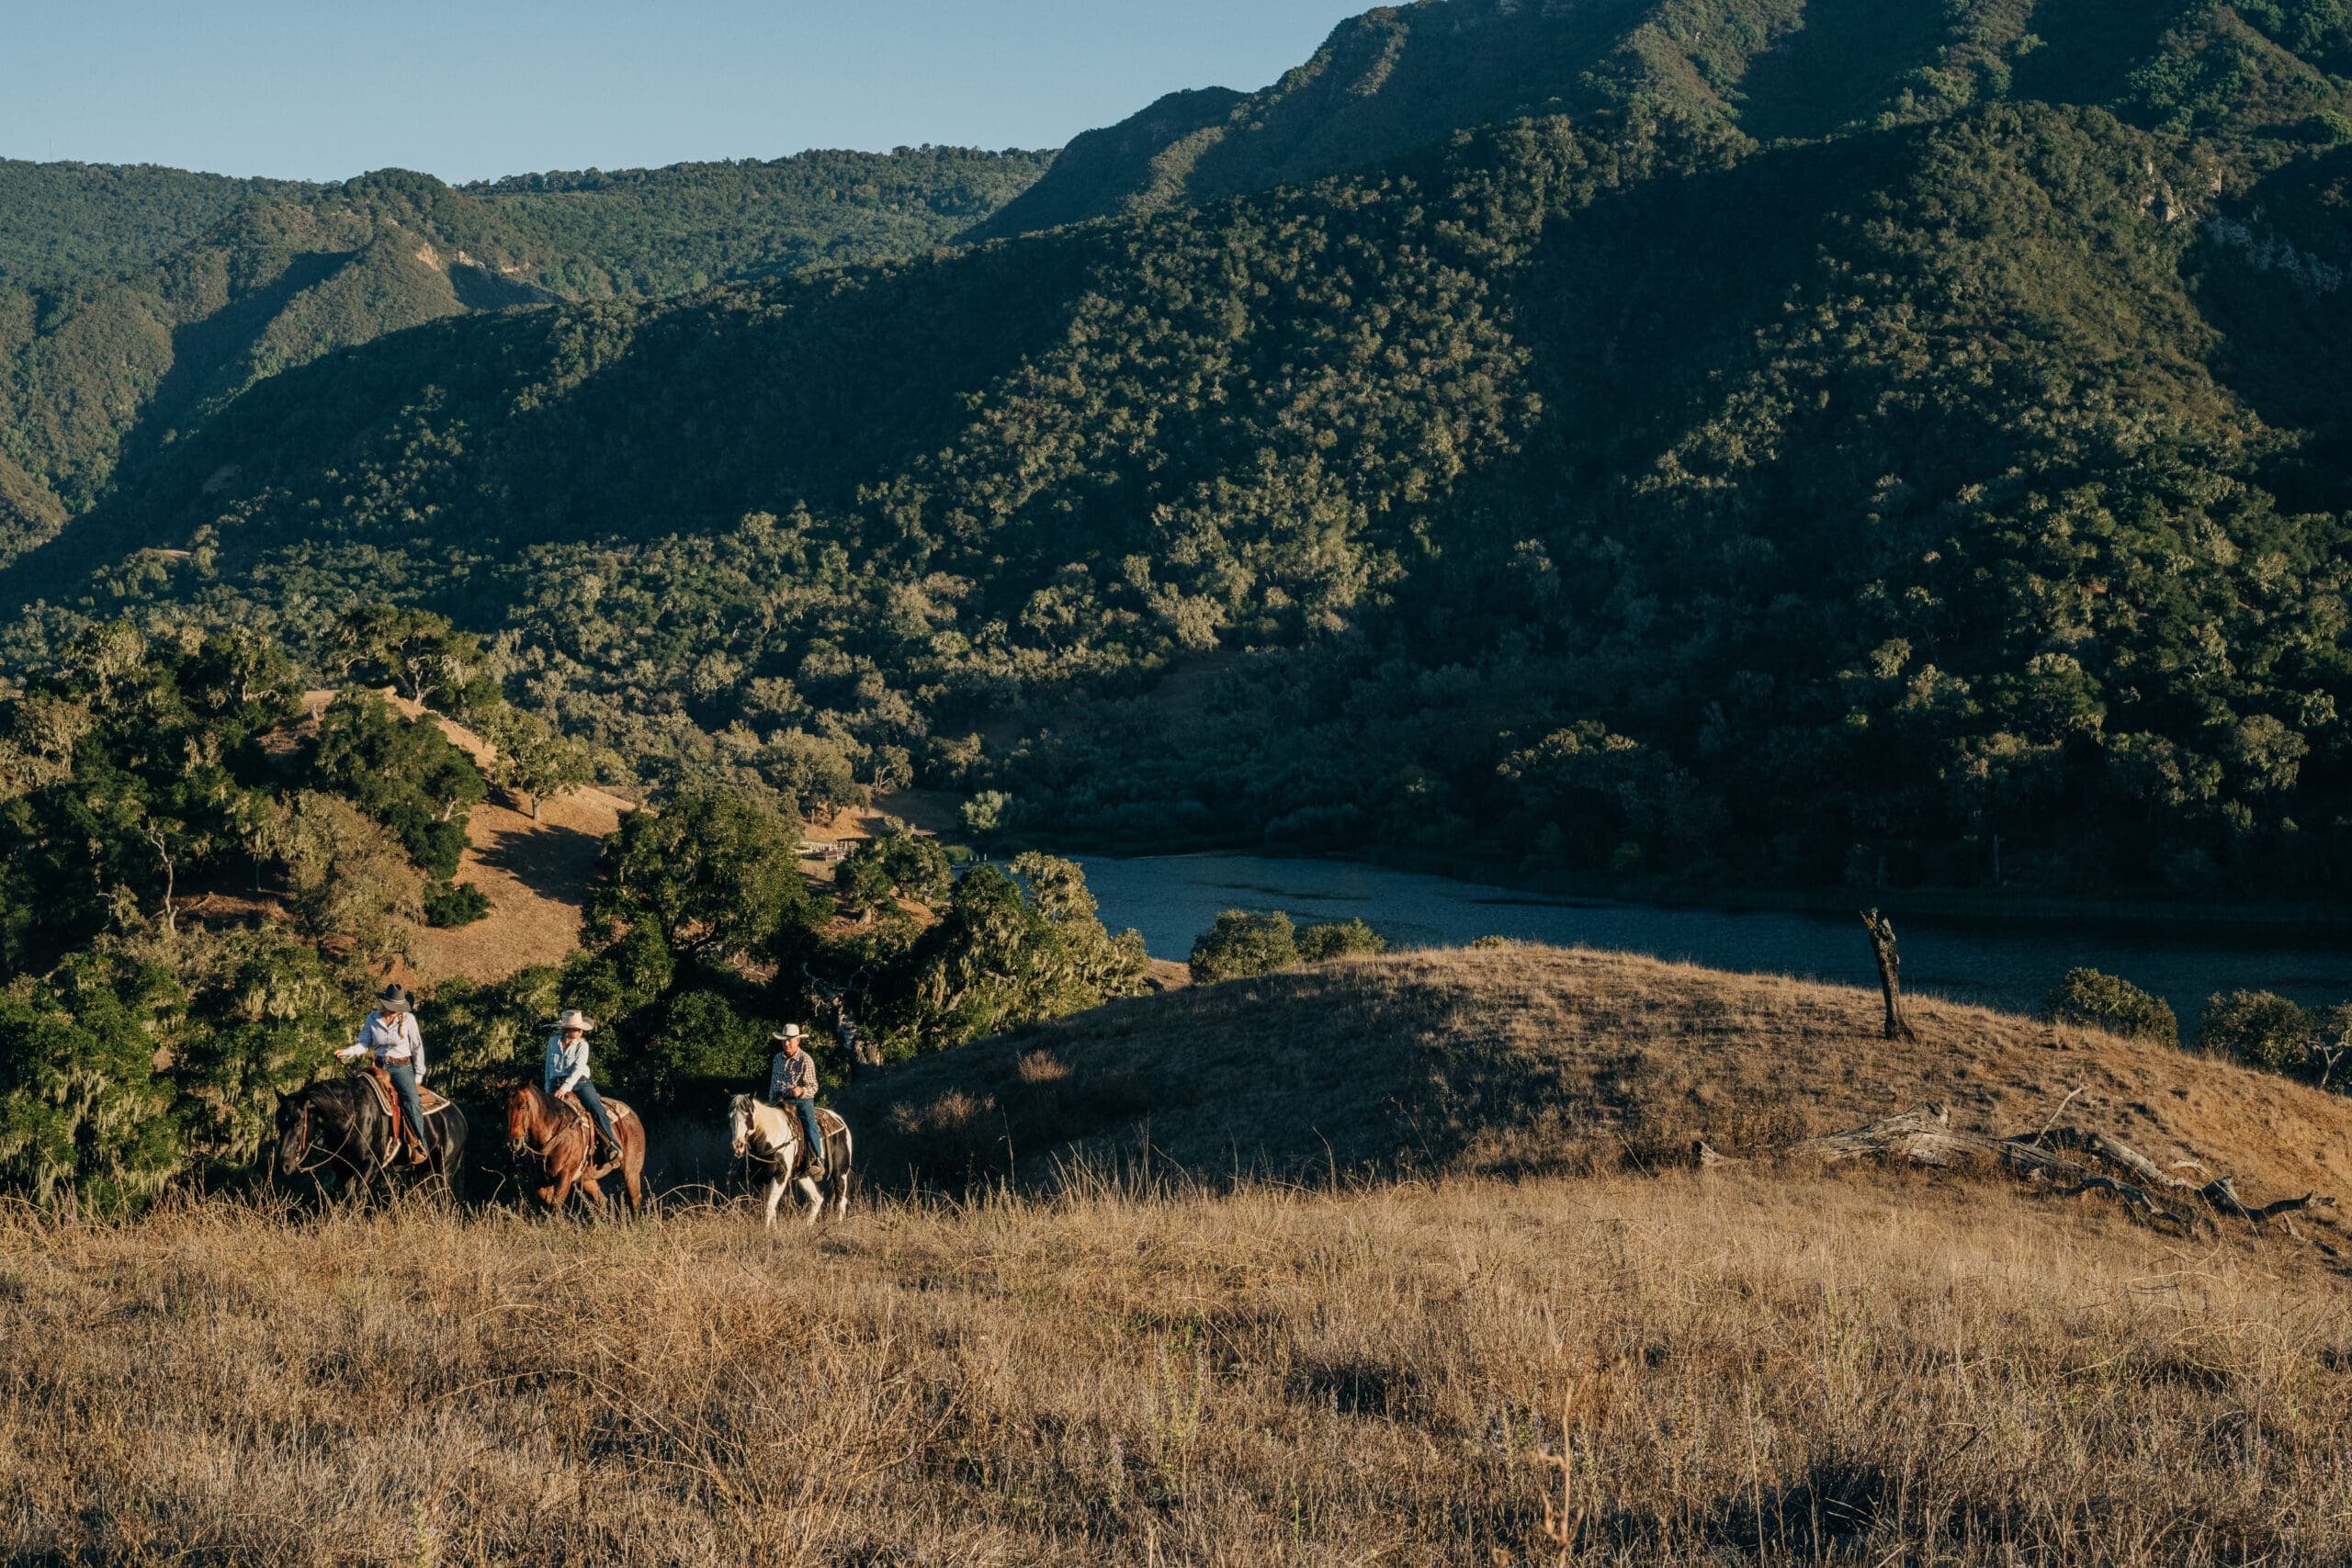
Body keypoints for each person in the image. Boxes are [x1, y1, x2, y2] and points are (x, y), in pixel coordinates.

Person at [335, 982, 429, 1164]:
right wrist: (346, 1052)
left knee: (411, 1101)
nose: (393, 1010)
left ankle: (419, 1143)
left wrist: (419, 1074)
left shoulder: (408, 1019)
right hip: (378, 1067)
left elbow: (417, 1047)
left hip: (401, 1067)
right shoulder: (373, 1018)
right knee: (358, 1096)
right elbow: (364, 1043)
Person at [544, 1009, 621, 1161]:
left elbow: (578, 1069)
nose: (580, 1032)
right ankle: (528, 1153)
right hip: (554, 1083)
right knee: (537, 1112)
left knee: (595, 1107)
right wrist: (548, 1089)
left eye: (580, 1029)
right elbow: (548, 1067)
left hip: (579, 1083)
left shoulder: (582, 1046)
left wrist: (564, 1088)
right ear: (568, 1029)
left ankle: (611, 1143)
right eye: (577, 1029)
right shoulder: (553, 1042)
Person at [765, 1024, 827, 1179]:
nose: (786, 1043)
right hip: (779, 1099)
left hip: (801, 1100)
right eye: (784, 1040)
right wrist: (771, 1101)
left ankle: (817, 1160)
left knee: (809, 1123)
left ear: (798, 1040)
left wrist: (801, 1090)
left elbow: (813, 1086)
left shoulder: (805, 1059)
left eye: (790, 1040)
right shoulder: (777, 1058)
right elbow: (773, 1083)